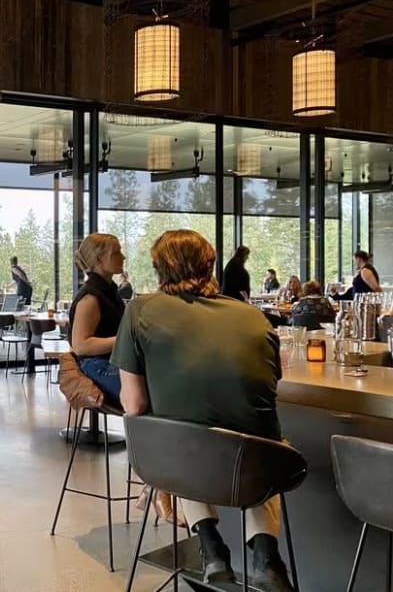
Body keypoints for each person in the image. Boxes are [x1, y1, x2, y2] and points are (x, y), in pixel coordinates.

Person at [113, 230, 293, 591]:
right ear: (210, 266)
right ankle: (266, 555)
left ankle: (211, 547)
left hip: (186, 462)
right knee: (261, 444)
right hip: (256, 466)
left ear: (160, 269)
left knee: (186, 436)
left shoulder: (139, 310)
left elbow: (134, 405)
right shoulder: (253, 317)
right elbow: (273, 379)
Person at [69, 233, 126, 408]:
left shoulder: (108, 292)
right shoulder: (91, 297)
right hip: (95, 364)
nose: (123, 257)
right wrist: (125, 340)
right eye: (116, 253)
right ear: (99, 259)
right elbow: (81, 346)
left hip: (109, 361)